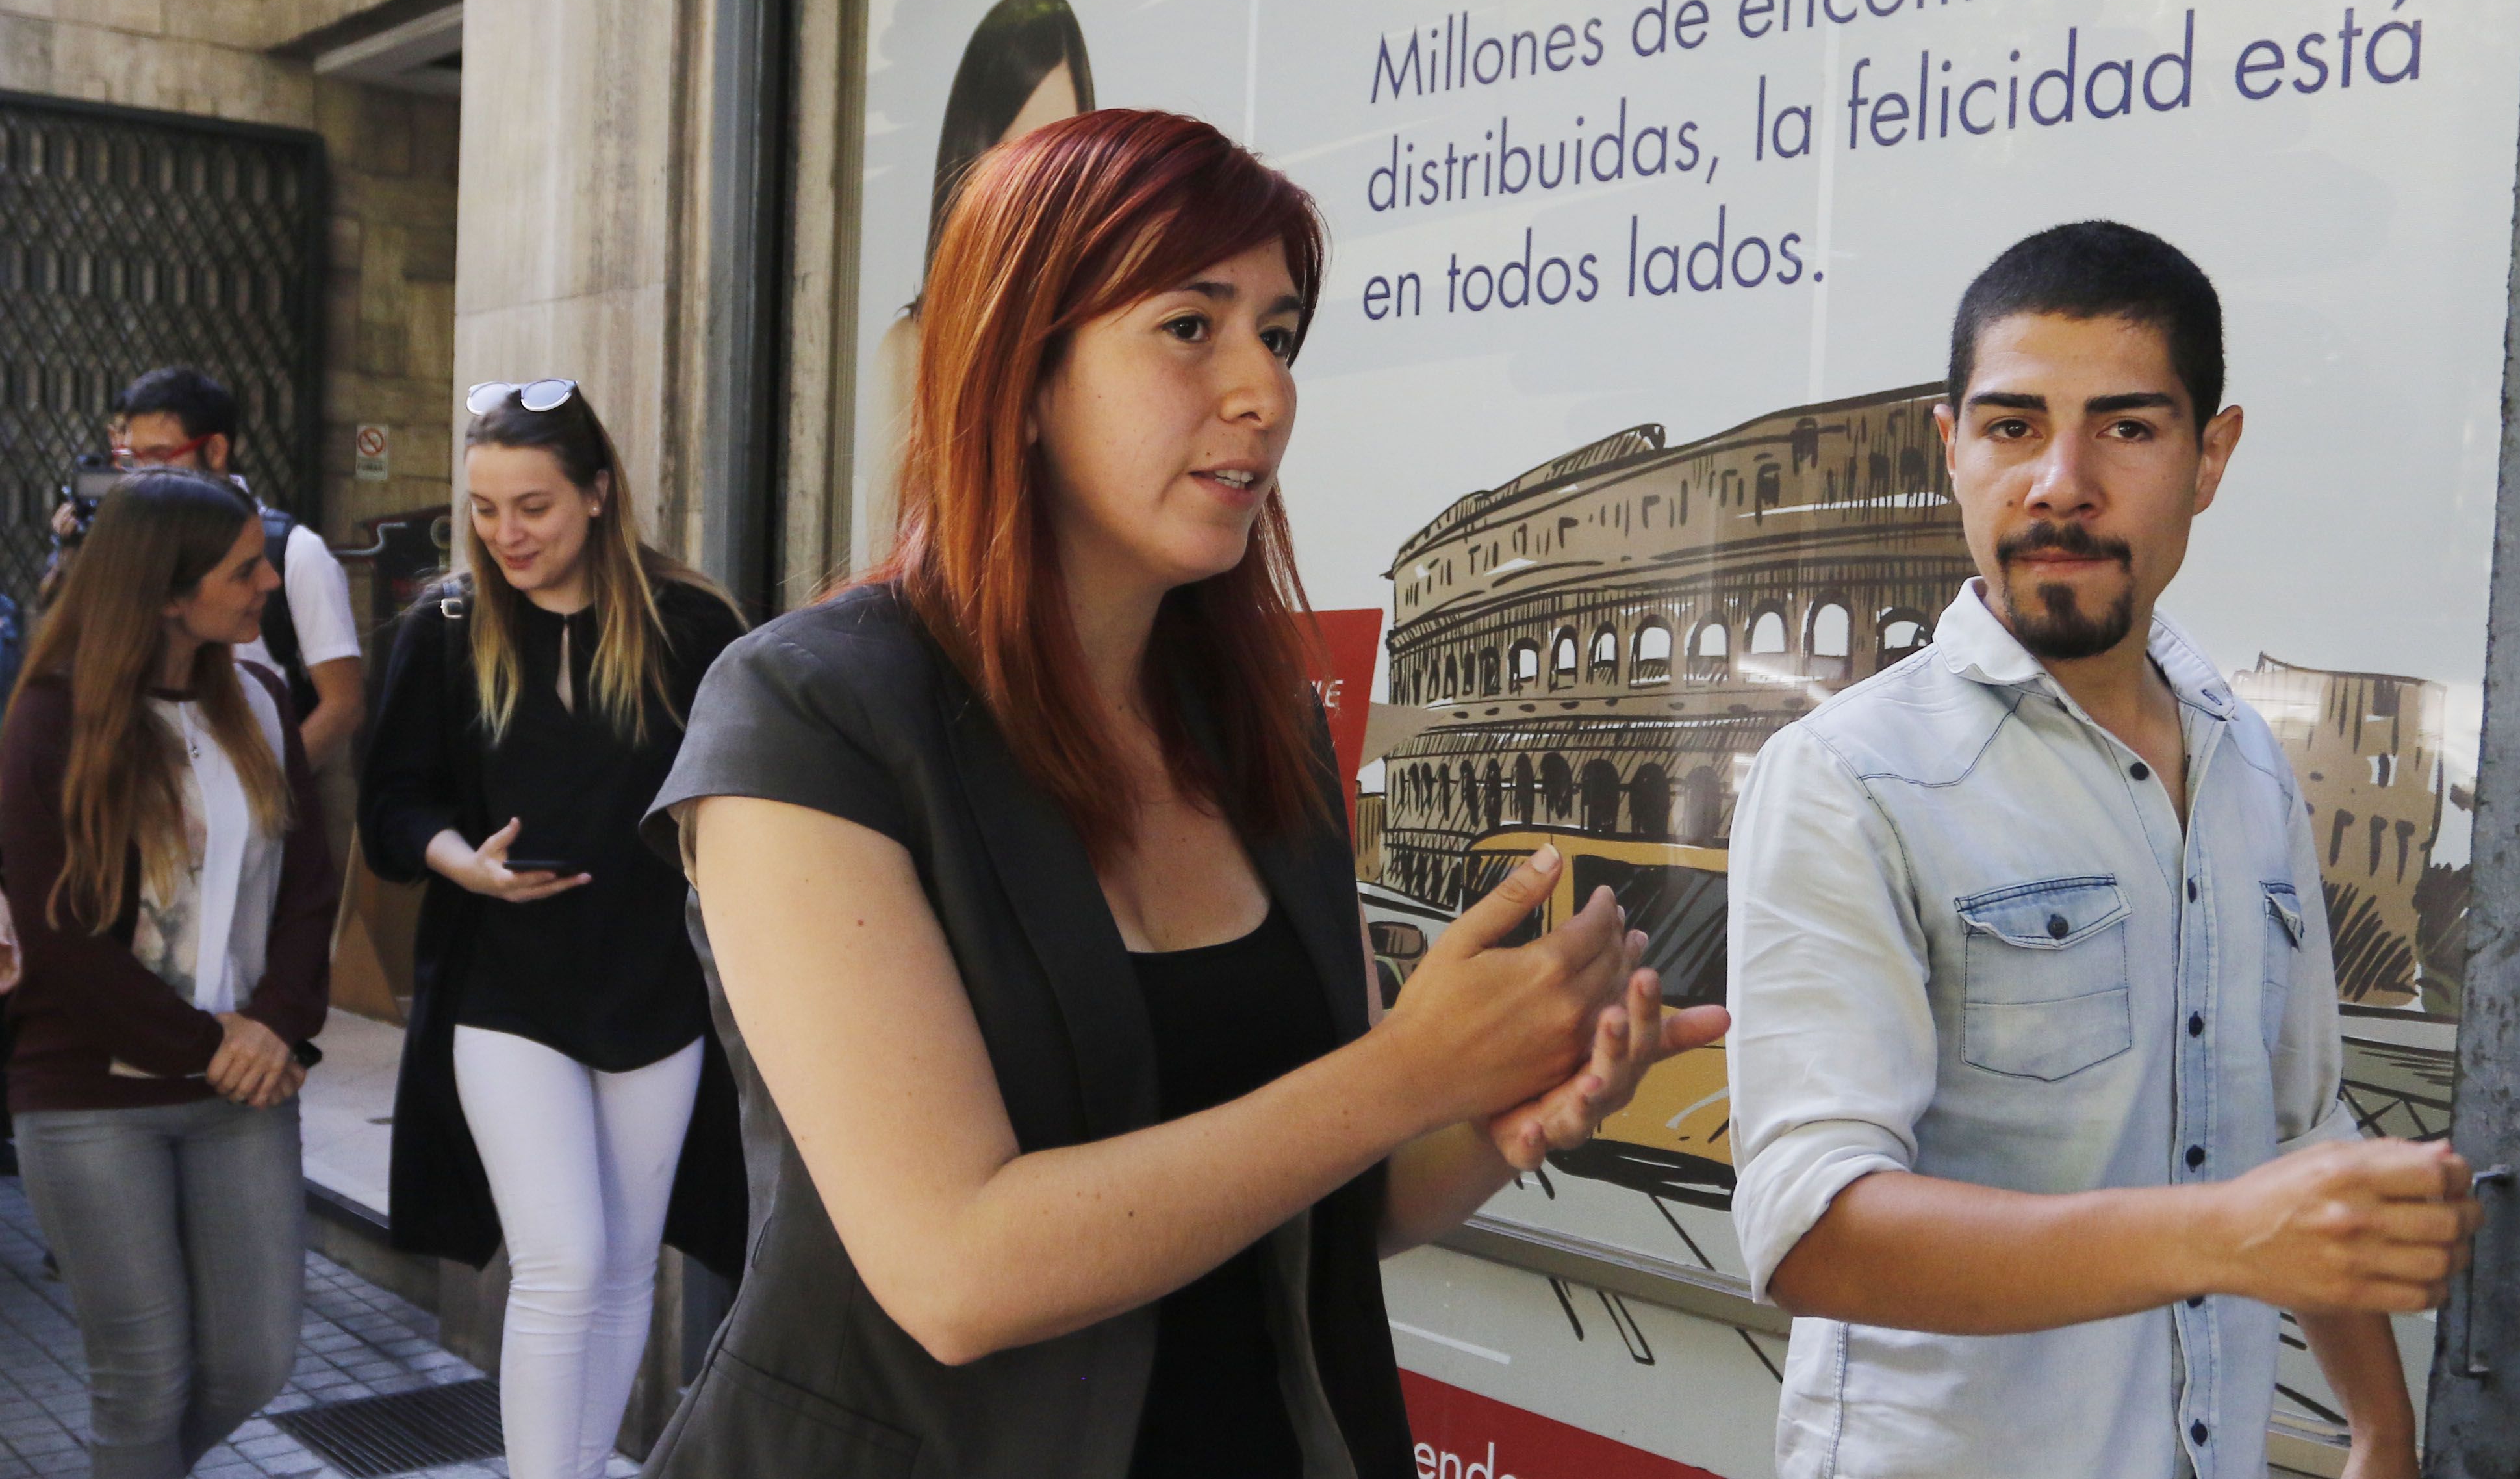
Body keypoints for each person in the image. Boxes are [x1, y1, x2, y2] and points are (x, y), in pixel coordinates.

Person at [639, 109, 1728, 1479]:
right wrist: (1403, 1068)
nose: (1261, 390)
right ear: (1019, 371)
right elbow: (953, 1265)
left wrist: (1493, 1119)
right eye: (1188, 326)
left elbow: (1310, 1193)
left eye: (1277, 334)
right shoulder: (810, 712)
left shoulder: (1254, 730)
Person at [1722, 222, 2482, 1479]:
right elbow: (1812, 1231)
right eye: (2012, 426)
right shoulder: (1850, 776)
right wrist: (2222, 1237)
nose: (2059, 481)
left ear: (2210, 457)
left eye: (2127, 428)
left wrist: (2379, 1428)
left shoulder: (2244, 761)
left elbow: (2298, 1132)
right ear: (1950, 446)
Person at [357, 379, 746, 1479]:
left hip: (653, 986)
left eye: (530, 505)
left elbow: (741, 796)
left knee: (625, 1263)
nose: (504, 534)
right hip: (503, 985)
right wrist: (460, 865)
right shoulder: (442, 624)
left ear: (597, 494)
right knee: (563, 1258)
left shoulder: (692, 622)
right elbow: (392, 804)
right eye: (482, 509)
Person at [0, 469, 335, 1478]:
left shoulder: (264, 701)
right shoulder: (49, 718)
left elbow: (310, 882)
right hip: (90, 1096)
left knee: (255, 1359)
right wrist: (208, 1045)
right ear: (164, 590)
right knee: (142, 1376)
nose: (270, 579)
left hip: (243, 1085)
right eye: (244, 567)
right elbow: (59, 934)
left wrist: (275, 1022)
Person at [53, 368, 366, 769]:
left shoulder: (296, 551)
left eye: (161, 456)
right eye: (131, 459)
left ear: (216, 450)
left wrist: (271, 792)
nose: (142, 474)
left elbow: (343, 704)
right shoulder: (135, 548)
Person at [867, 0, 1095, 512]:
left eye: (1064, 154)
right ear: (972, 157)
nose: (1042, 191)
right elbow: (894, 566)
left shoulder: (1111, 340)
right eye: (1014, 157)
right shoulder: (914, 351)